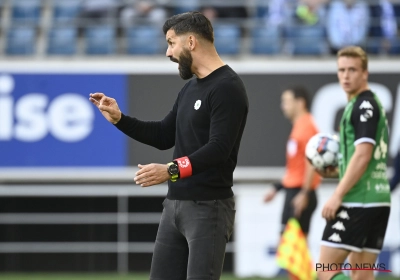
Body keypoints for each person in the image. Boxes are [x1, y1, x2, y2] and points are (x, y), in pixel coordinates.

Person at [89, 11, 249, 280]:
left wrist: (170, 170)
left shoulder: (227, 87)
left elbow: (219, 149)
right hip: (174, 205)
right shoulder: (190, 88)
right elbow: (164, 134)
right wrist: (120, 119)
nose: (167, 52)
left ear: (190, 42)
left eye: (171, 43)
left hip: (208, 207)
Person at [317, 46, 391, 280]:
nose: (345, 76)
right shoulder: (369, 103)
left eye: (352, 70)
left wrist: (338, 194)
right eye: (341, 70)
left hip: (358, 200)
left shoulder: (363, 105)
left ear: (365, 73)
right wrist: (337, 170)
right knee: (362, 275)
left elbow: (363, 154)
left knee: (326, 272)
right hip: (378, 199)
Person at [264, 86, 320, 279]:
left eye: (287, 101)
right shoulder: (300, 126)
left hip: (299, 194)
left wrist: (304, 193)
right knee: (292, 250)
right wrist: (277, 187)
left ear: (300, 102)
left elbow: (313, 163)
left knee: (293, 250)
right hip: (294, 191)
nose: (283, 106)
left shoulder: (307, 127)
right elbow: (296, 169)